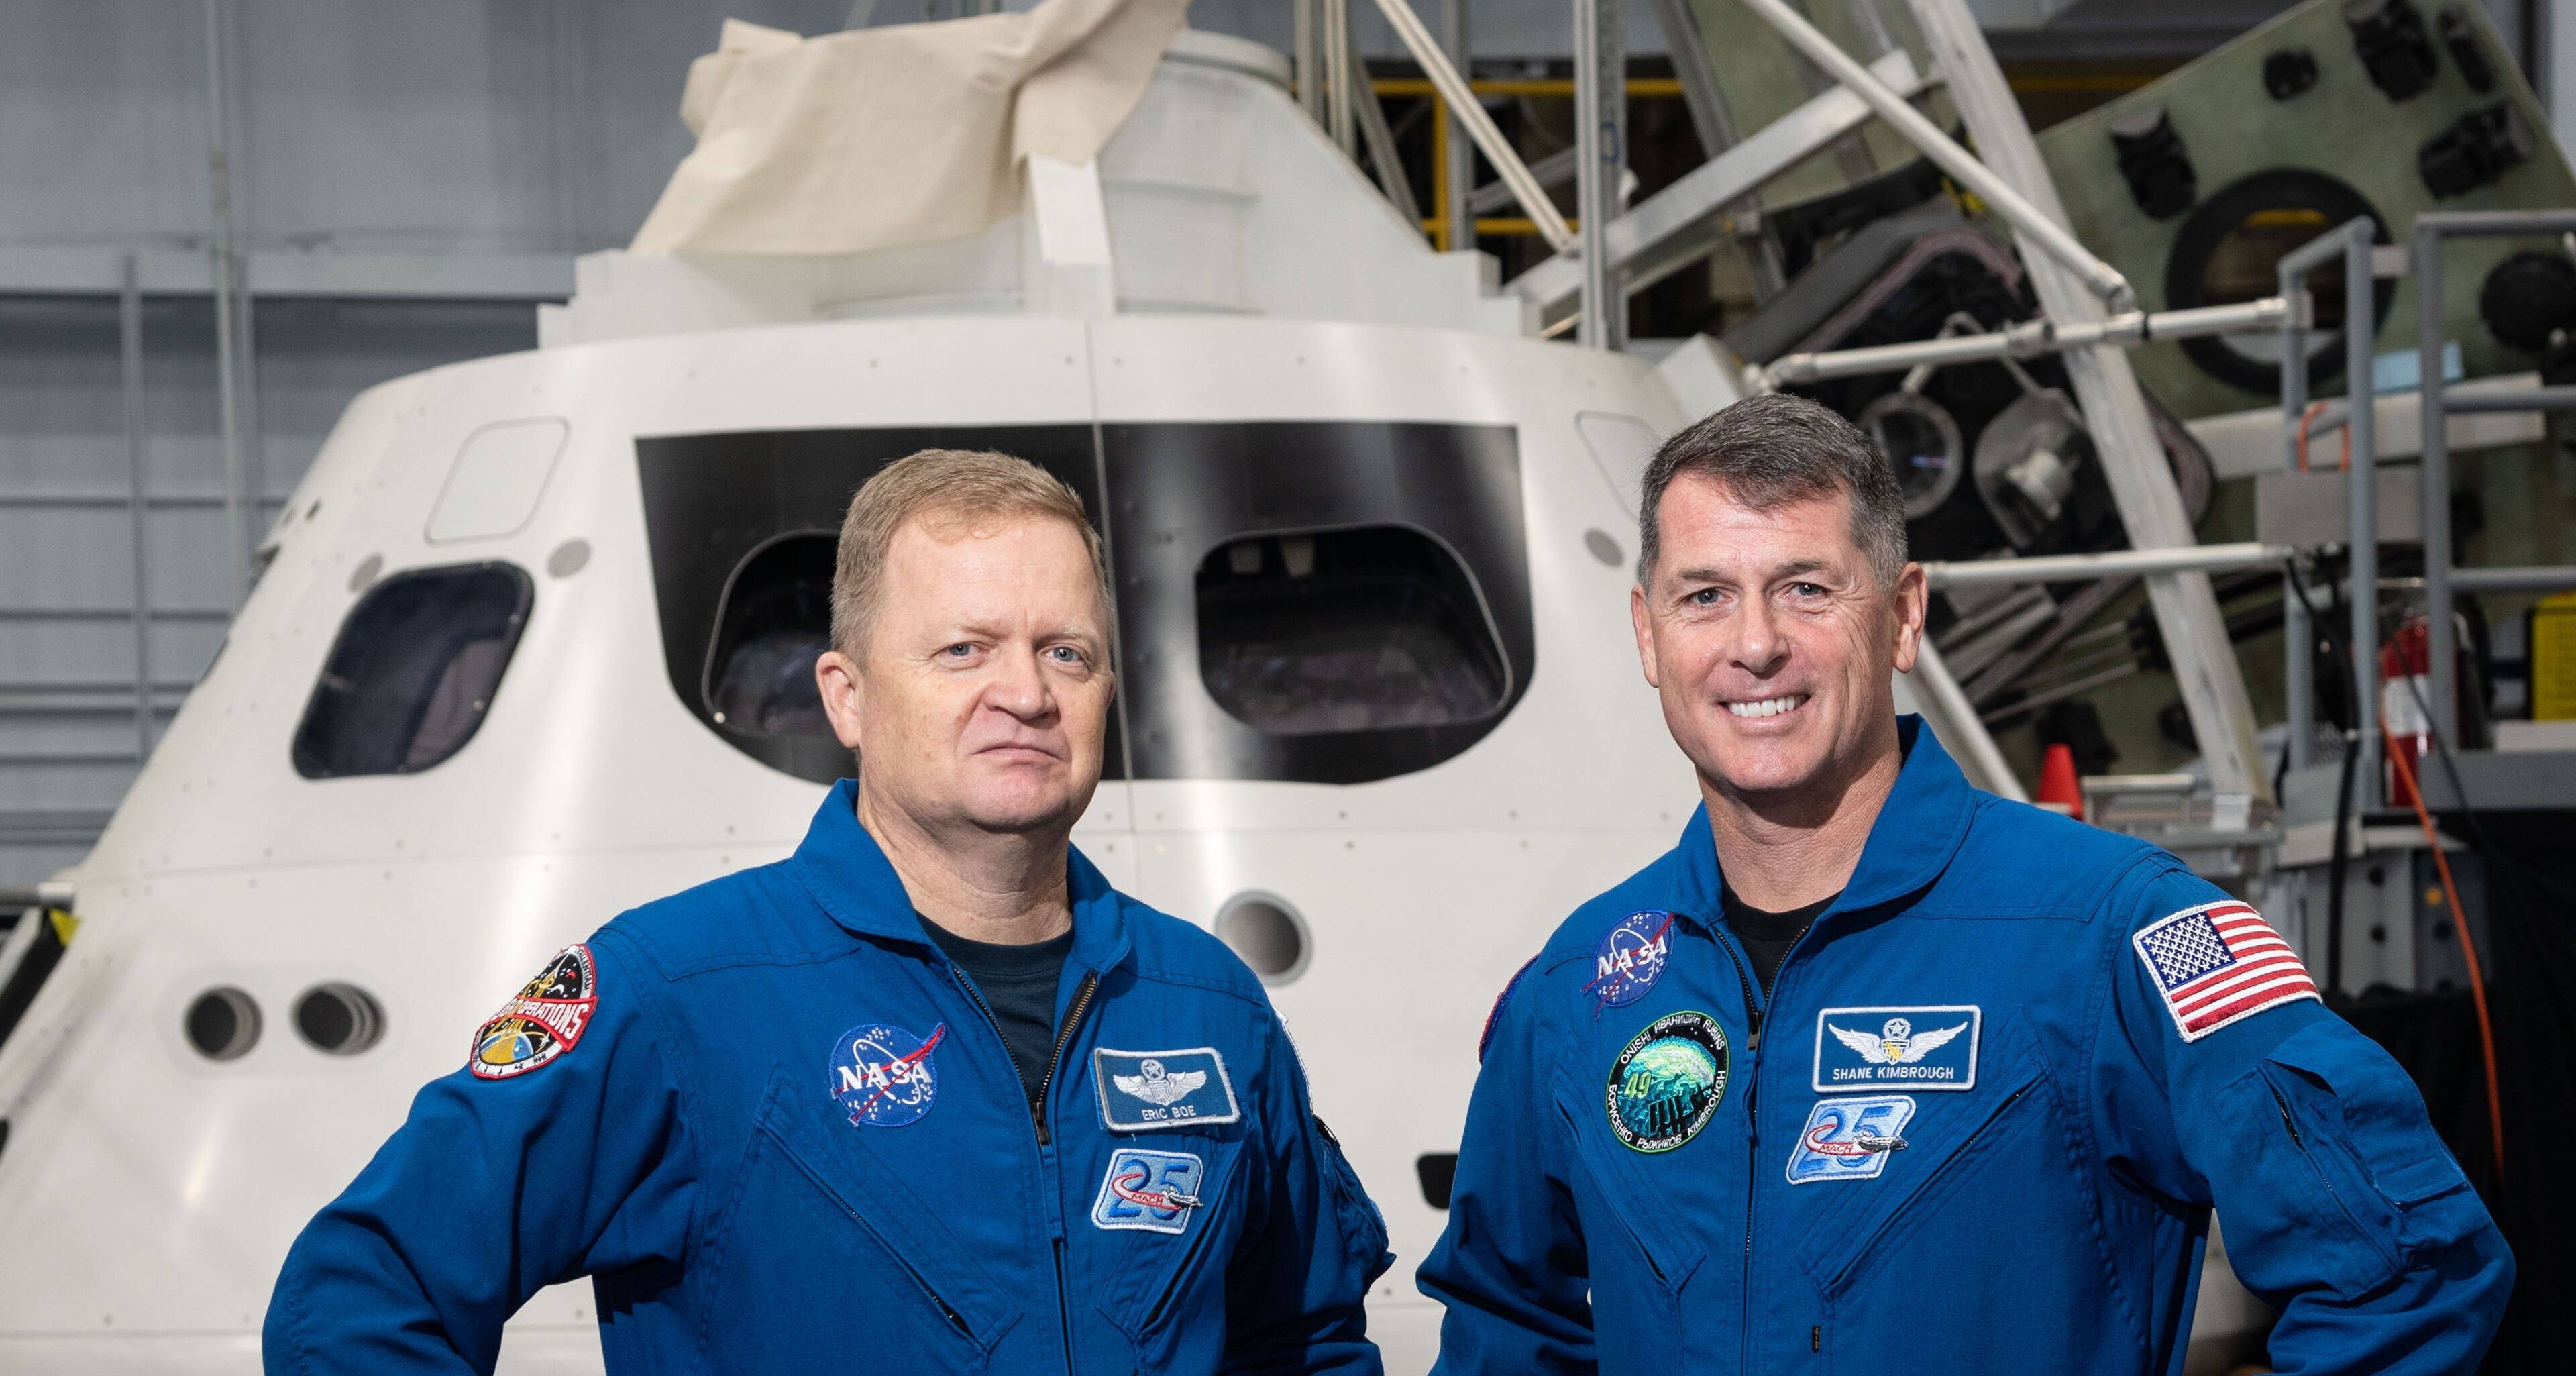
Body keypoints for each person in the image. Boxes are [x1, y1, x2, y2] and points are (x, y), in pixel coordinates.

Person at [1417, 395, 2511, 1373]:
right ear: (1648, 635)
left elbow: (2409, 1267)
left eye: (1806, 589)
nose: (1755, 645)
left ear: (1902, 615)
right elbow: (1503, 1318)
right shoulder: (1583, 984)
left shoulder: (2110, 930)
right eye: (1706, 595)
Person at [266, 449, 1391, 1374]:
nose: (1027, 692)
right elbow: (363, 1297)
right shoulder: (680, 996)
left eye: (1066, 652)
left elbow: (1301, 1341)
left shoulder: (1204, 1007)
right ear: (847, 699)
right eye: (964, 650)